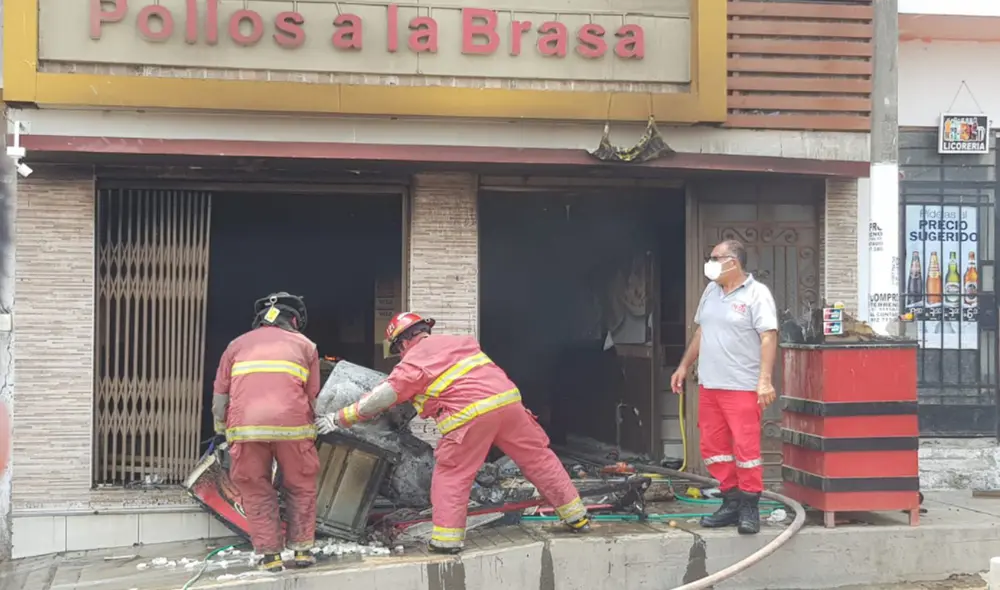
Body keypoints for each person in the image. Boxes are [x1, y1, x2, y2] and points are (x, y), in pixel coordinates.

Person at [315, 312, 590, 553]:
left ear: (403, 341)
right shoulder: (460, 343)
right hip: (510, 405)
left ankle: (447, 540)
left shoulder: (414, 359)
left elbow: (383, 397)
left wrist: (339, 418)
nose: (400, 353)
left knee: (452, 474)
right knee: (539, 459)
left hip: (470, 417)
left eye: (398, 348)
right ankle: (576, 516)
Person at [670, 240, 778, 535]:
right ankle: (730, 500)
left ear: (734, 262)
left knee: (746, 450)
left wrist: (764, 380)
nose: (711, 263)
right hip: (710, 385)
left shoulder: (757, 294)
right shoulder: (711, 292)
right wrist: (684, 366)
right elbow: (701, 332)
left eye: (716, 258)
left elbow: (769, 337)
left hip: (742, 386)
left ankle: (749, 506)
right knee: (713, 448)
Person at [212, 292, 321, 572]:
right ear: (294, 320)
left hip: (246, 429)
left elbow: (220, 395)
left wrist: (223, 429)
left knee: (255, 488)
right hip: (294, 429)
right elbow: (313, 396)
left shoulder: (235, 345)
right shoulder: (306, 346)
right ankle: (302, 551)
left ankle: (270, 555)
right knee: (301, 485)